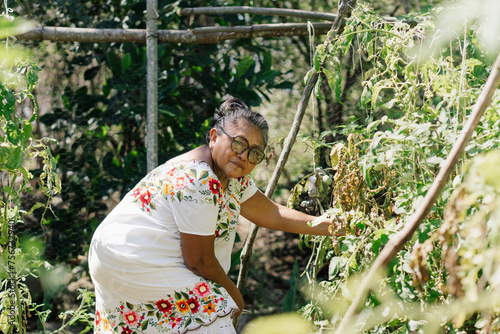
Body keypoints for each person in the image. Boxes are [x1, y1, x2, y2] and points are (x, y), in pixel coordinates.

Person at [88, 98, 342, 334]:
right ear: (213, 137)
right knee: (215, 313)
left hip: (127, 255)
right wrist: (234, 295)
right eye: (239, 143)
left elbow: (274, 214)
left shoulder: (233, 180)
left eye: (254, 152)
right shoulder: (198, 178)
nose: (244, 155)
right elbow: (198, 261)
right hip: (132, 258)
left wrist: (334, 226)